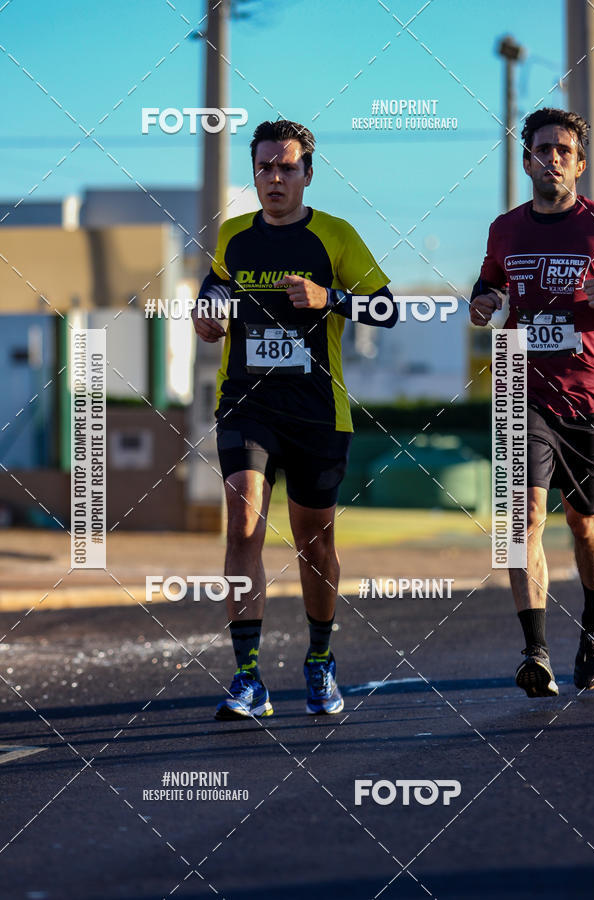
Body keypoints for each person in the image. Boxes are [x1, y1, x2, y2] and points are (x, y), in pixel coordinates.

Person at [193, 119, 397, 719]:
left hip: (317, 413)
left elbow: (387, 309)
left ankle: (318, 660)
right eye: (264, 167)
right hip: (246, 406)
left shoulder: (335, 236)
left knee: (315, 544)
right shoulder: (232, 236)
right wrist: (205, 317)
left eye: (286, 167)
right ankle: (248, 677)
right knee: (243, 523)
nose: (274, 178)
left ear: (308, 173)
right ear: (253, 172)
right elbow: (214, 293)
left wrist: (329, 298)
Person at [471, 107, 594, 697]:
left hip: (590, 396)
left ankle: (593, 633)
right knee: (521, 518)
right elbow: (491, 280)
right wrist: (484, 300)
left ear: (579, 162)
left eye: (563, 150)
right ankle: (536, 651)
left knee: (587, 528)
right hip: (523, 389)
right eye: (541, 149)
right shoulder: (506, 228)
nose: (551, 158)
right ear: (526, 161)